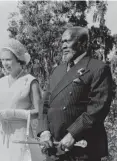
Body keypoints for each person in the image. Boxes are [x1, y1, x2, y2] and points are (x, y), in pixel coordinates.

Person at [37, 26, 113, 161]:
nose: (63, 46)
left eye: (68, 41)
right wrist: (44, 131)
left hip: (82, 147)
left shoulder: (98, 68)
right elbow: (45, 104)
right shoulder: (58, 70)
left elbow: (97, 108)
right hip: (54, 148)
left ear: (83, 43)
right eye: (62, 42)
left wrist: (73, 134)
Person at [0, 39, 44, 161]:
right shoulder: (1, 81)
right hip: (2, 134)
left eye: (8, 59)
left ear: (19, 60)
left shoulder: (31, 81)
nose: (4, 63)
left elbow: (38, 112)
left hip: (20, 134)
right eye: (2, 60)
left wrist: (13, 113)